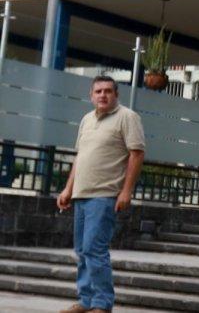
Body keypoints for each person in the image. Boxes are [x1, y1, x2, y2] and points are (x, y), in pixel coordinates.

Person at [55, 76, 146, 313]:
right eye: (98, 91)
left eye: (107, 91)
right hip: (81, 194)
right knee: (82, 250)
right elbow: (81, 157)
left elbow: (137, 154)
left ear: (116, 94)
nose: (103, 95)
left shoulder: (127, 117)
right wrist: (68, 189)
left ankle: (102, 303)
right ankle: (86, 300)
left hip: (105, 194)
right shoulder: (86, 119)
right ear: (91, 95)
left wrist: (126, 191)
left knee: (94, 248)